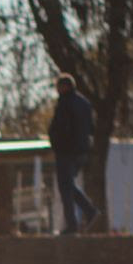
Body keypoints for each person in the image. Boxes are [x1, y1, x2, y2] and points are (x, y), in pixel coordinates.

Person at [49, 74, 99, 234]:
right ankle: (89, 211)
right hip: (81, 151)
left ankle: (72, 224)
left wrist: (55, 142)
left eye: (58, 86)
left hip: (66, 151)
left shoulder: (65, 103)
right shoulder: (84, 103)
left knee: (65, 187)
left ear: (64, 87)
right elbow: (91, 128)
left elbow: (61, 127)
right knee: (69, 185)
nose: (57, 90)